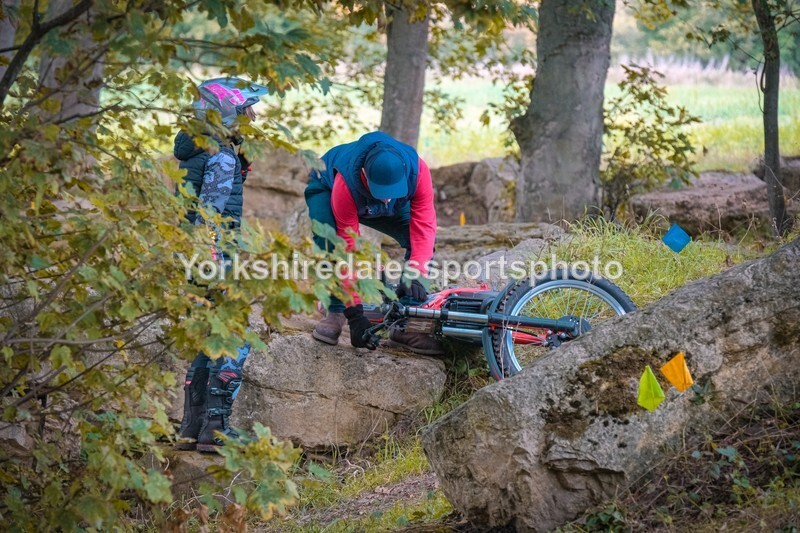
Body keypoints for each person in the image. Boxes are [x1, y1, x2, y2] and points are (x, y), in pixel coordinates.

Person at [173, 77, 267, 452]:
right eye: (247, 110)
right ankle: (216, 428)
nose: (254, 116)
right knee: (232, 335)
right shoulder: (221, 156)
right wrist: (215, 268)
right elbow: (208, 218)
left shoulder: (197, 149)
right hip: (211, 257)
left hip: (190, 257)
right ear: (229, 113)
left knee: (205, 335)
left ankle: (191, 428)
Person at [305, 131, 443, 355]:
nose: (386, 199)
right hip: (327, 186)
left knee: (419, 241)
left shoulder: (418, 172)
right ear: (364, 175)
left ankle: (405, 325)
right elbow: (346, 248)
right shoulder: (345, 184)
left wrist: (415, 273)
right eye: (382, 193)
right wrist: (355, 314)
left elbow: (424, 226)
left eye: (391, 193)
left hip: (373, 197)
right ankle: (335, 311)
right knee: (328, 241)